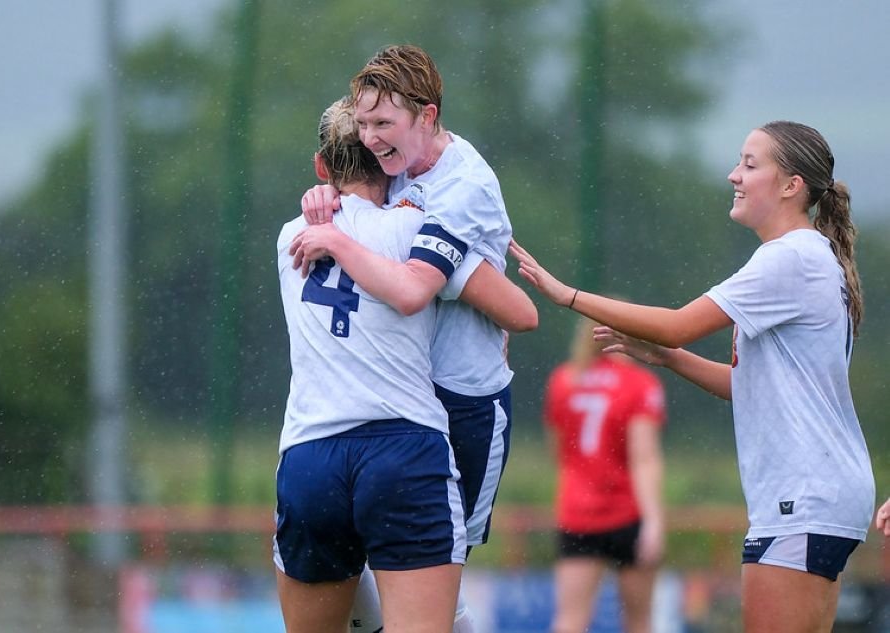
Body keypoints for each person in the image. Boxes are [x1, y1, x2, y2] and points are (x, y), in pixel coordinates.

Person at [510, 120, 875, 633]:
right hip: (820, 493)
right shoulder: (807, 256)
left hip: (805, 495)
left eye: (750, 165)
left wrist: (567, 295)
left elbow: (680, 323)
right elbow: (747, 386)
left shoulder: (790, 257)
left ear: (792, 185)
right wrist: (668, 359)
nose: (734, 175)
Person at [293, 45, 535, 633]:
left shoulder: (463, 187)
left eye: (386, 124)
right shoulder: (399, 163)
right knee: (377, 577)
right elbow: (364, 194)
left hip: (465, 401)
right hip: (405, 397)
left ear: (426, 117)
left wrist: (345, 240)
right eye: (367, 124)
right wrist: (329, 200)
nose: (375, 140)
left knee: (436, 590)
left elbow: (429, 294)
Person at [275, 97, 466, 633]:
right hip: (402, 452)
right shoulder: (423, 228)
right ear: (392, 159)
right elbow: (518, 313)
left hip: (311, 456)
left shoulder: (292, 235)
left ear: (321, 169)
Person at [543, 317, 666, 633]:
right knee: (639, 621)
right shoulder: (639, 383)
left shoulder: (563, 381)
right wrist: (653, 521)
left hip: (577, 513)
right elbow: (644, 458)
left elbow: (557, 452)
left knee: (570, 619)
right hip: (628, 512)